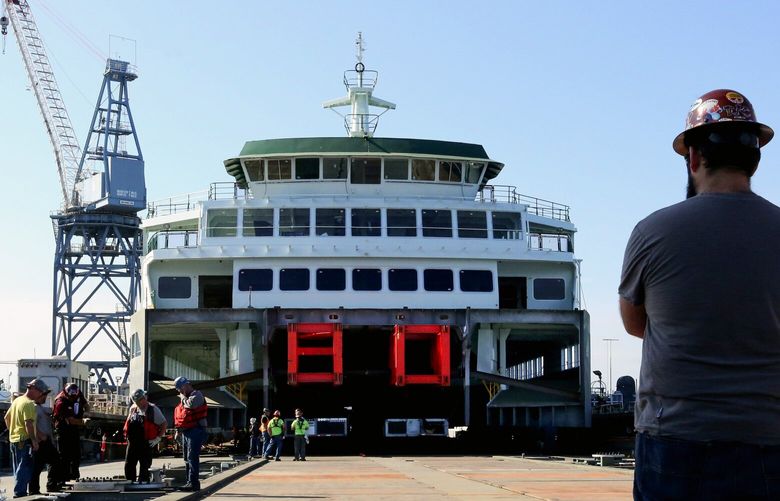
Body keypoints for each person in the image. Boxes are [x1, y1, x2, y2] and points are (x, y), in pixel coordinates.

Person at [619, 89, 780, 501]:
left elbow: (635, 323)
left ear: (692, 157)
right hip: (766, 438)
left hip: (673, 439)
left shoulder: (653, 232)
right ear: (755, 159)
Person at [4, 379, 48, 498]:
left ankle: (20, 492)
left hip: (14, 439)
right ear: (34, 390)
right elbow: (28, 423)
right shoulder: (29, 404)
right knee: (25, 467)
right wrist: (34, 440)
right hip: (25, 440)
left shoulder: (17, 400)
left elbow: (6, 418)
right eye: (41, 392)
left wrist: (12, 431)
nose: (41, 395)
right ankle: (20, 494)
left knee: (18, 468)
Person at [123, 389, 167, 483]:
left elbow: (163, 424)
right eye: (136, 402)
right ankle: (130, 482)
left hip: (146, 443)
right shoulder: (133, 409)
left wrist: (157, 438)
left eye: (140, 400)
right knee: (129, 464)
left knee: (144, 465)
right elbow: (129, 423)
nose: (138, 403)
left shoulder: (153, 409)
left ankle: (143, 483)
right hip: (133, 442)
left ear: (144, 398)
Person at [173, 376, 207, 492]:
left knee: (192, 457)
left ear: (185, 386)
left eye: (180, 389)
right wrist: (178, 431)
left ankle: (194, 483)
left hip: (196, 430)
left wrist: (182, 397)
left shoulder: (197, 395)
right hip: (186, 432)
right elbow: (182, 417)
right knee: (187, 458)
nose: (180, 392)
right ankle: (189, 482)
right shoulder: (184, 399)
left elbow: (191, 405)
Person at [30, 385, 62, 495]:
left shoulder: (40, 407)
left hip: (45, 440)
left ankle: (49, 486)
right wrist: (40, 436)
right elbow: (31, 424)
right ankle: (37, 489)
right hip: (41, 441)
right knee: (39, 466)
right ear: (39, 395)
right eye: (45, 395)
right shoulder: (34, 407)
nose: (46, 397)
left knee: (52, 461)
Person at [52, 382, 88, 481]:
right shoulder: (60, 402)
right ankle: (64, 478)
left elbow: (86, 405)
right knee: (64, 455)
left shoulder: (77, 393)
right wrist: (83, 422)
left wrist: (86, 413)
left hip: (74, 429)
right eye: (71, 397)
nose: (73, 398)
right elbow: (70, 420)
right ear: (67, 393)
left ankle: (74, 475)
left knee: (76, 454)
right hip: (64, 430)